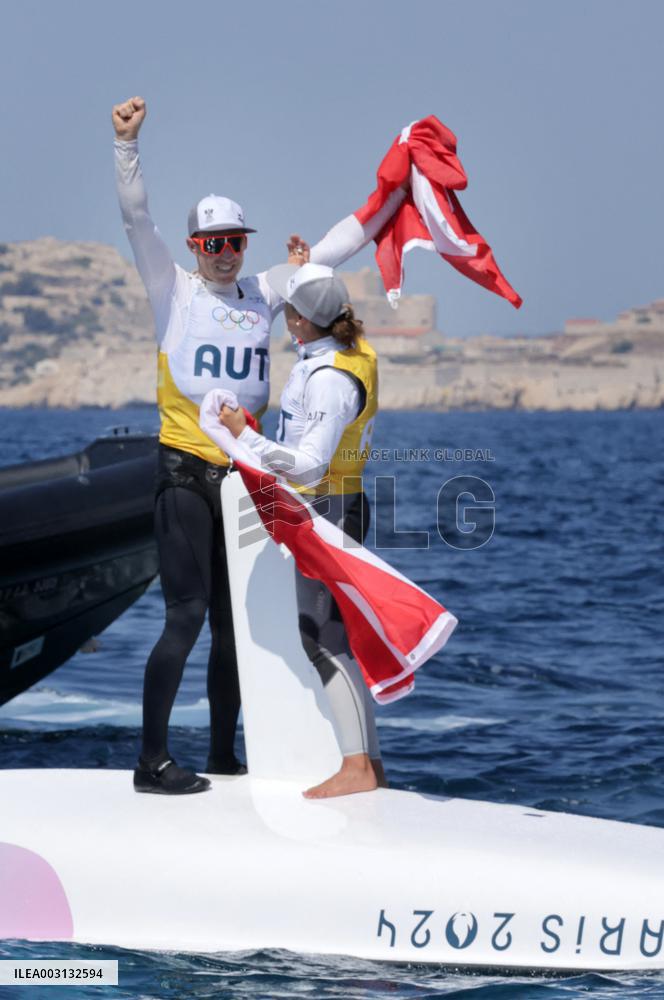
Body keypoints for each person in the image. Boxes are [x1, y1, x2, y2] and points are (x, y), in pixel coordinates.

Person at [112, 96, 405, 795]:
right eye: (212, 243)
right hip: (185, 472)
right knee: (185, 614)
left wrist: (390, 195)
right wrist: (126, 145)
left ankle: (221, 755)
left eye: (235, 240)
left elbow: (335, 250)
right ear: (194, 249)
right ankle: (152, 759)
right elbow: (136, 218)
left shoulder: (262, 292)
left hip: (243, 477)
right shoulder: (172, 289)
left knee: (230, 626)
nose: (224, 253)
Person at [217, 259, 385, 798]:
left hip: (328, 508)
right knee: (333, 638)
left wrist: (248, 438)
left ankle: (358, 766)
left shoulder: (330, 378)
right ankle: (370, 766)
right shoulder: (338, 354)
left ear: (296, 321)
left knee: (324, 641)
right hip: (336, 505)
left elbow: (311, 464)